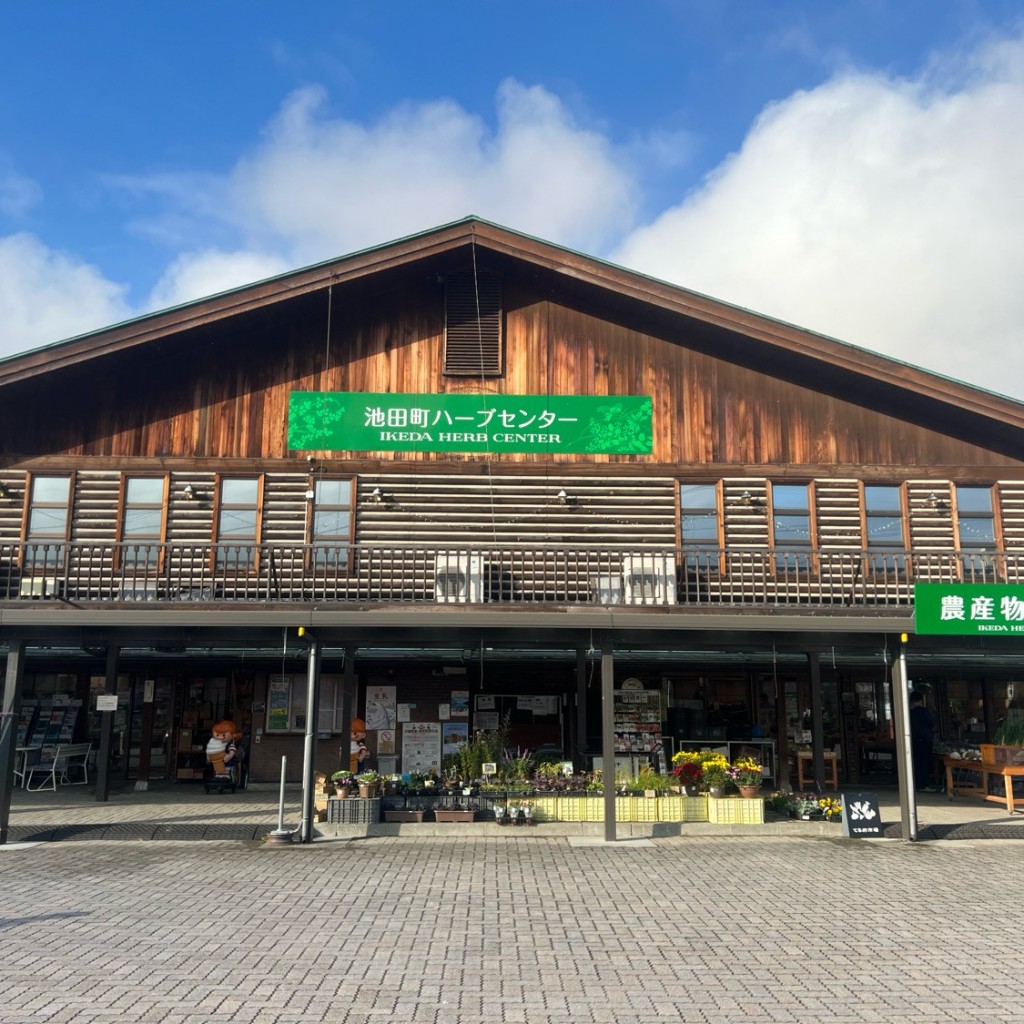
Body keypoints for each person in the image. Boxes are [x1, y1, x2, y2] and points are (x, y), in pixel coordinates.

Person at [909, 691, 936, 791]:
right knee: (924, 763)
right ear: (920, 700)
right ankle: (923, 785)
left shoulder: (909, 713)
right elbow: (931, 723)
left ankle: (916, 784)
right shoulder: (924, 711)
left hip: (913, 740)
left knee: (915, 763)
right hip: (925, 740)